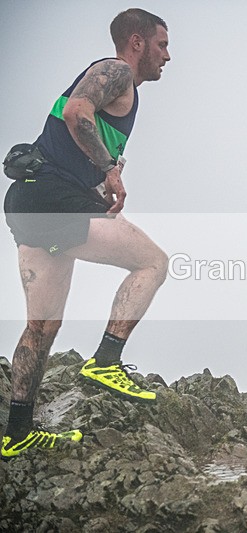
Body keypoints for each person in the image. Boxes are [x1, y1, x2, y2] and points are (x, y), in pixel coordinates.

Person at [1, 8, 171, 459]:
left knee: (41, 327)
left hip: (29, 203)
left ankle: (17, 431)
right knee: (154, 262)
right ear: (136, 43)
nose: (167, 56)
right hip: (51, 198)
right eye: (162, 45)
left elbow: (74, 134)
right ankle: (106, 361)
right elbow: (78, 111)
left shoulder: (123, 94)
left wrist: (101, 185)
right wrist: (110, 172)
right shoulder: (115, 71)